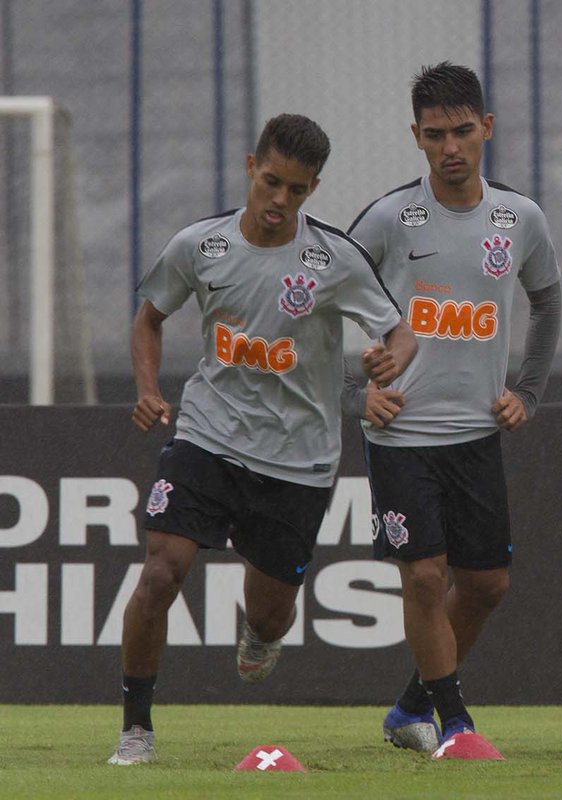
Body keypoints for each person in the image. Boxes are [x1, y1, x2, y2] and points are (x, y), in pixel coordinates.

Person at [107, 114, 418, 766]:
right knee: (161, 571)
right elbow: (148, 318)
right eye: (271, 182)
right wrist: (147, 388)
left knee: (272, 614)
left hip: (297, 459)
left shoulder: (333, 258)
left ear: (313, 189)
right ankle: (136, 729)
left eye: (296, 190)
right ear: (252, 167)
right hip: (207, 434)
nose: (279, 200)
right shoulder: (201, 245)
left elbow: (400, 330)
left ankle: (262, 631)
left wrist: (390, 360)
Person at [343, 62, 562, 760]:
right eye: (435, 134)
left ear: (487, 128)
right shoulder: (388, 218)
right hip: (401, 433)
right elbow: (319, 296)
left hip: (476, 432)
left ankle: (411, 706)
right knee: (424, 576)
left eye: (463, 131)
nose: (450, 147)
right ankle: (455, 720)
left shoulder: (519, 218)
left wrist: (529, 391)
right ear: (416, 136)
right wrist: (357, 391)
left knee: (487, 584)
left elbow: (548, 300)